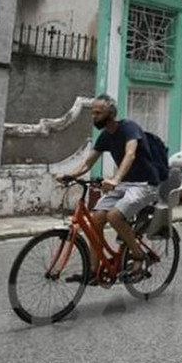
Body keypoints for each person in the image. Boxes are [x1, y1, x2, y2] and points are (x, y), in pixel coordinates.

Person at [57, 94, 161, 282]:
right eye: (92, 113)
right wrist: (70, 175)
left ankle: (139, 256)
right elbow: (87, 162)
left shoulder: (129, 128)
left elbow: (130, 154)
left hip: (146, 184)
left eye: (98, 112)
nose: (94, 116)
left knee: (114, 215)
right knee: (96, 219)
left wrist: (115, 179)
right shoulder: (105, 136)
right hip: (124, 185)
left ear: (111, 113)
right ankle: (94, 270)